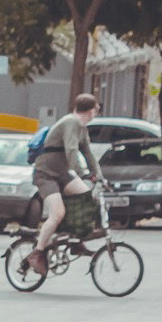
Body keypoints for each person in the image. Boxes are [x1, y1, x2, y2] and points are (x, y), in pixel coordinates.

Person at [26, 94, 102, 274]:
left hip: (62, 174)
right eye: (96, 110)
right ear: (91, 111)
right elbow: (71, 150)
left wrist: (100, 176)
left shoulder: (82, 128)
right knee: (57, 213)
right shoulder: (71, 123)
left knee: (87, 197)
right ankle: (36, 253)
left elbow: (88, 154)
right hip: (46, 174)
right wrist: (83, 174)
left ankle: (75, 241)